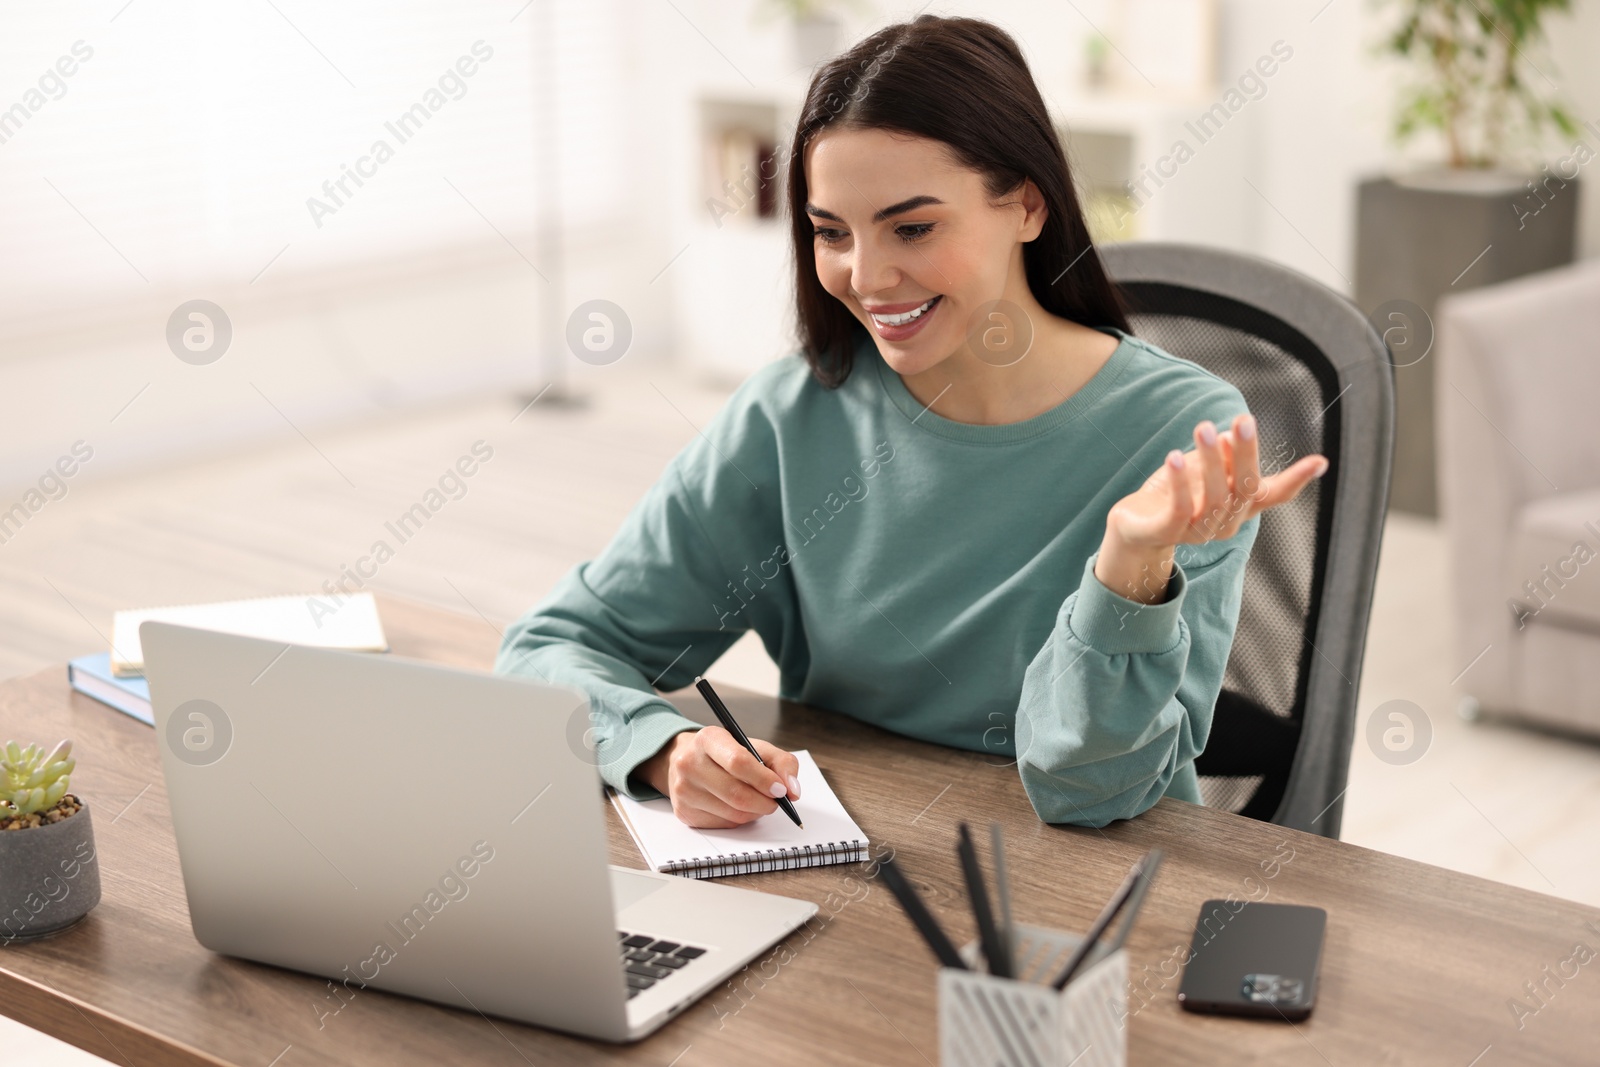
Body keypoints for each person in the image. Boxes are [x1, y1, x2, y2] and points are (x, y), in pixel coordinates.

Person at [494, 14, 1327, 829]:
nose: (866, 275)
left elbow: (1094, 793)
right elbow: (549, 649)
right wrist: (659, 748)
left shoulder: (1186, 438)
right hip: (862, 864)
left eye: (913, 226)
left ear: (1027, 207)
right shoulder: (791, 416)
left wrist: (1128, 571)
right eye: (831, 232)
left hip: (1095, 895)